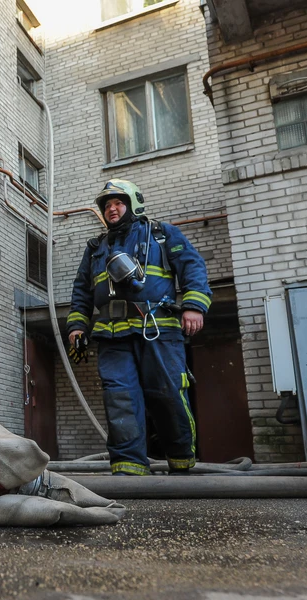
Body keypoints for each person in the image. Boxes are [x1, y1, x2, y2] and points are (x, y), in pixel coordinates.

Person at [66, 179, 211, 476]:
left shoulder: (161, 234)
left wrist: (194, 305)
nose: (112, 209)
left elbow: (192, 266)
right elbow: (81, 291)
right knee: (120, 399)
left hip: (158, 329)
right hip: (112, 335)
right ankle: (129, 467)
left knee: (168, 394)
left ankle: (182, 461)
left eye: (118, 203)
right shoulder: (95, 248)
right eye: (107, 206)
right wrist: (76, 328)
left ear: (133, 204)